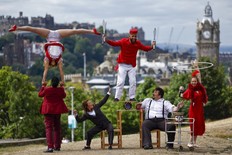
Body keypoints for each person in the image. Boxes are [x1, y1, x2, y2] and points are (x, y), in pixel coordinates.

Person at [9, 25, 101, 86]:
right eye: (53, 65)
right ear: (55, 64)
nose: (52, 65)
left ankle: (16, 28)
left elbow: (45, 70)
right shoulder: (59, 60)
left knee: (33, 29)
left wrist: (43, 81)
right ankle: (92, 31)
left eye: (51, 65)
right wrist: (63, 81)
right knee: (74, 31)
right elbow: (61, 72)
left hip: (48, 36)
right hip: (58, 36)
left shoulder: (47, 60)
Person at [103, 28, 156, 101]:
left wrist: (152, 46)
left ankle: (132, 97)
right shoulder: (123, 41)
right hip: (122, 65)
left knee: (133, 81)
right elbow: (114, 44)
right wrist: (106, 40)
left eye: (135, 36)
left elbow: (145, 48)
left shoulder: (138, 43)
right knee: (120, 82)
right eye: (132, 36)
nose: (134, 37)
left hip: (132, 66)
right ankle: (117, 97)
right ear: (129, 36)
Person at [38, 76, 69, 153]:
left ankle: (50, 147)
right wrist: (62, 86)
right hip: (57, 110)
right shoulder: (60, 90)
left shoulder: (47, 89)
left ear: (51, 82)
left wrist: (43, 86)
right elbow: (64, 95)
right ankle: (57, 146)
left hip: (48, 110)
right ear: (58, 83)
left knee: (49, 128)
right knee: (57, 127)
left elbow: (40, 95)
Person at [179, 76, 208, 147]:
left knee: (198, 125)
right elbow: (183, 96)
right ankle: (190, 142)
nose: (193, 83)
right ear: (190, 82)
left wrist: (204, 101)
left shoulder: (201, 89)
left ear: (197, 82)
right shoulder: (190, 89)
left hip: (200, 109)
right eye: (192, 81)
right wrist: (180, 91)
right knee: (193, 125)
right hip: (193, 109)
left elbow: (204, 97)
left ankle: (194, 142)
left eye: (195, 81)